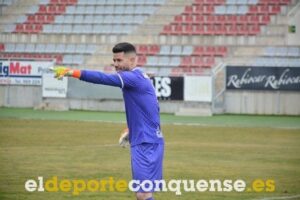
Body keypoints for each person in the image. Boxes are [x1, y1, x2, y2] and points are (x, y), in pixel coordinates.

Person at [51, 42, 164, 200]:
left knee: (143, 194)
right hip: (147, 139)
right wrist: (133, 129)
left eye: (119, 61)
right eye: (114, 60)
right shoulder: (140, 77)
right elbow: (152, 108)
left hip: (146, 142)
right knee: (142, 194)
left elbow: (102, 78)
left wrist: (71, 72)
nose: (115, 64)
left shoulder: (131, 77)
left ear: (132, 60)